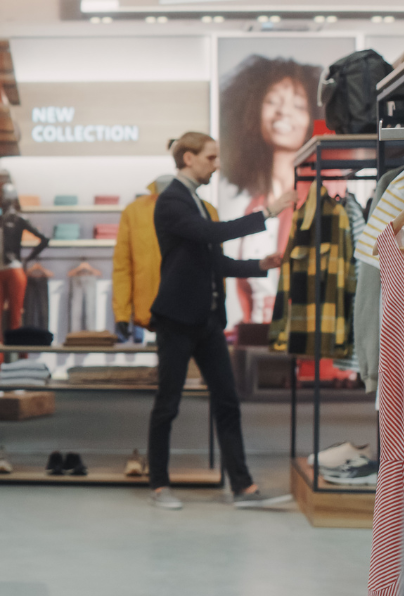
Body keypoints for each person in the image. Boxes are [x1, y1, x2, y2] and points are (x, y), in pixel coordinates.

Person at [146, 131, 296, 511]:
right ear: (188, 158)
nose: (216, 165)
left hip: (208, 320)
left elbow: (213, 261)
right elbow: (211, 234)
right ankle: (159, 485)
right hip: (177, 319)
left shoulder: (197, 203)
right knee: (168, 404)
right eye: (211, 158)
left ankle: (242, 487)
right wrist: (269, 212)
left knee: (228, 401)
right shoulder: (171, 203)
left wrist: (258, 266)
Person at [218, 56, 323, 323]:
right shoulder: (254, 205)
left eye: (299, 105)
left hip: (300, 335)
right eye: (272, 101)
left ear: (314, 116)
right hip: (256, 335)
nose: (283, 113)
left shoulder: (319, 197)